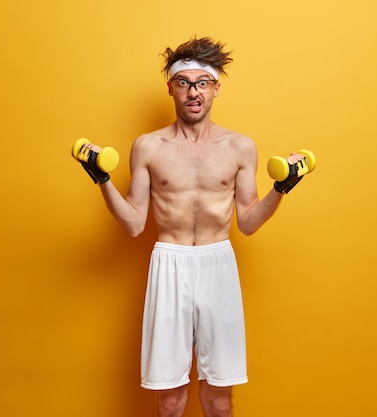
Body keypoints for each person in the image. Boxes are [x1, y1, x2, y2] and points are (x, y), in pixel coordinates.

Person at [78, 36, 307, 417]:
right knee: (170, 399)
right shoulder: (148, 147)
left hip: (219, 264)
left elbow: (247, 222)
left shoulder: (239, 147)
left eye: (202, 83)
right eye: (184, 83)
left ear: (216, 88)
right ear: (171, 88)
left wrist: (281, 189)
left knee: (219, 398)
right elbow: (135, 223)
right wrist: (101, 179)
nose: (193, 92)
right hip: (170, 262)